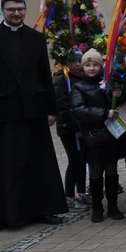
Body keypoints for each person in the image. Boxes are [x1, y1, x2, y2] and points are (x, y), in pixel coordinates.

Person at [0, 0, 67, 234]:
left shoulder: (36, 38)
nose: (16, 13)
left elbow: (45, 76)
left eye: (20, 9)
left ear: (25, 10)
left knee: (38, 161)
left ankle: (43, 209)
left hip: (32, 109)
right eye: (11, 9)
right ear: (3, 11)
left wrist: (50, 109)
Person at [70, 49, 126, 222]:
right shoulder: (79, 87)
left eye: (95, 65)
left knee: (111, 171)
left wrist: (119, 95)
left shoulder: (108, 83)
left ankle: (113, 205)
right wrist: (103, 113)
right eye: (88, 65)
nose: (92, 68)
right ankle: (97, 207)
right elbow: (77, 109)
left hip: (111, 135)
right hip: (93, 136)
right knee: (95, 172)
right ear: (83, 67)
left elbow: (120, 103)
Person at [53, 51, 87, 210]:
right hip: (69, 128)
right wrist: (75, 128)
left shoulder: (82, 78)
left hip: (81, 127)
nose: (78, 64)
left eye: (81, 61)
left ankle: (81, 192)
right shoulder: (62, 80)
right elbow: (64, 107)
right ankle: (69, 195)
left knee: (82, 160)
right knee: (74, 160)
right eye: (75, 61)